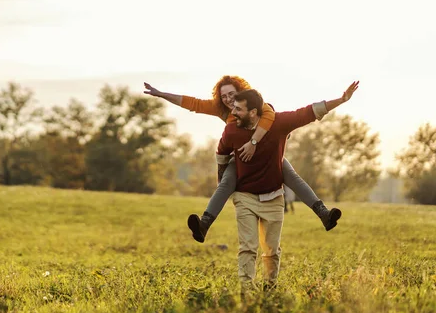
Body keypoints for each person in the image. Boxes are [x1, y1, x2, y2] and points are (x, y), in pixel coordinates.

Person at [143, 76, 341, 242]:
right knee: (225, 183)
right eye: (224, 96)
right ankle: (204, 225)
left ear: (241, 92)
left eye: (231, 94)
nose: (228, 99)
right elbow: (192, 103)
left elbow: (277, 116)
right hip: (239, 158)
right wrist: (161, 94)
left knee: (292, 177)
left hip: (267, 155)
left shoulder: (259, 106)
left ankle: (324, 214)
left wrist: (254, 142)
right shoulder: (222, 110)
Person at [216, 82, 358, 292]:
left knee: (271, 250)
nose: (233, 112)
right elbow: (221, 153)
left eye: (238, 109)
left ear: (253, 112)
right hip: (244, 195)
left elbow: (309, 112)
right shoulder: (231, 130)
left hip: (273, 197)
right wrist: (223, 182)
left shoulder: (280, 122)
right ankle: (247, 289)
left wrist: (341, 100)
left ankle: (270, 286)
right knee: (248, 247)